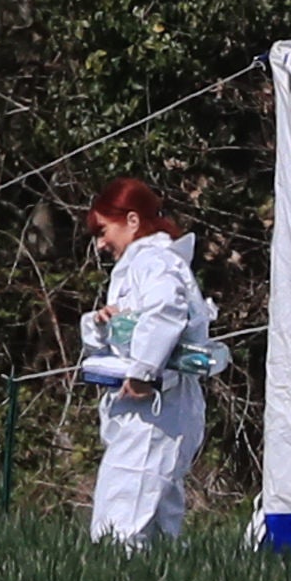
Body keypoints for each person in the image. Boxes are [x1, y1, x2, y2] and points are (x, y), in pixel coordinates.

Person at [79, 175, 213, 547]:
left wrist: (142, 373)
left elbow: (166, 312)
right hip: (149, 406)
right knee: (155, 511)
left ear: (133, 221)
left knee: (122, 509)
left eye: (104, 230)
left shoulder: (154, 261)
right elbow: (143, 321)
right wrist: (105, 323)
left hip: (156, 405)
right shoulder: (143, 264)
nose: (101, 243)